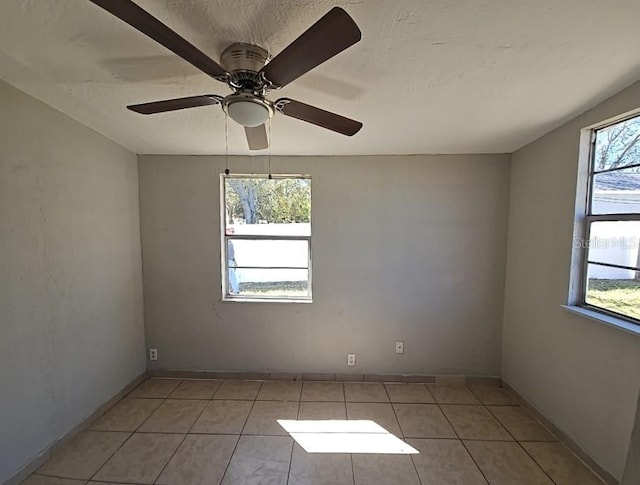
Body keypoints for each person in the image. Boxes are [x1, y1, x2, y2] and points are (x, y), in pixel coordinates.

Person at [227, 228, 240, 294]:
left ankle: (234, 289)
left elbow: (232, 253)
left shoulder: (230, 242)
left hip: (230, 261)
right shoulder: (225, 241)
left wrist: (234, 261)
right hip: (227, 261)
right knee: (231, 276)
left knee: (231, 275)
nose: (233, 232)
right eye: (231, 231)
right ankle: (235, 290)